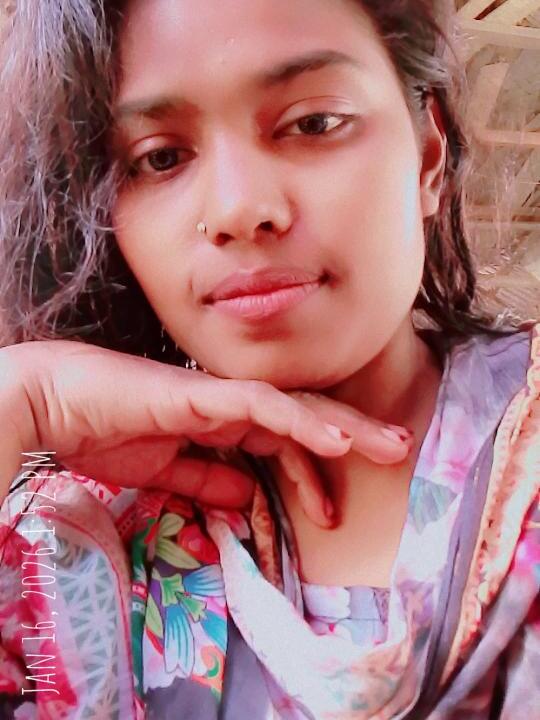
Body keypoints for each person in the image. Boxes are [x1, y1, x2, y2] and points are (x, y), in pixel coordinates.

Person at [0, 0, 538, 717]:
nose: (239, 209)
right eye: (160, 157)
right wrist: (20, 402)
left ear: (427, 156)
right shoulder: (69, 539)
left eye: (313, 123)